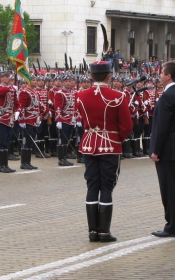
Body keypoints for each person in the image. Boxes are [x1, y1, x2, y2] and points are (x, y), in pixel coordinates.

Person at [76, 61, 133, 242]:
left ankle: (92, 232)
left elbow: (84, 120)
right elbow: (126, 126)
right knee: (107, 187)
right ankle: (104, 232)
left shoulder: (81, 95)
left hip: (89, 144)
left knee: (92, 186)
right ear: (109, 75)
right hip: (110, 144)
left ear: (91, 76)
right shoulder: (118, 95)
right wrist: (117, 138)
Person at [150, 61, 175, 238]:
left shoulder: (167, 96)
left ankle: (172, 226)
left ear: (168, 76)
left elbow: (162, 127)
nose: (159, 76)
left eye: (162, 73)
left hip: (167, 150)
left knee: (169, 189)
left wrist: (155, 150)